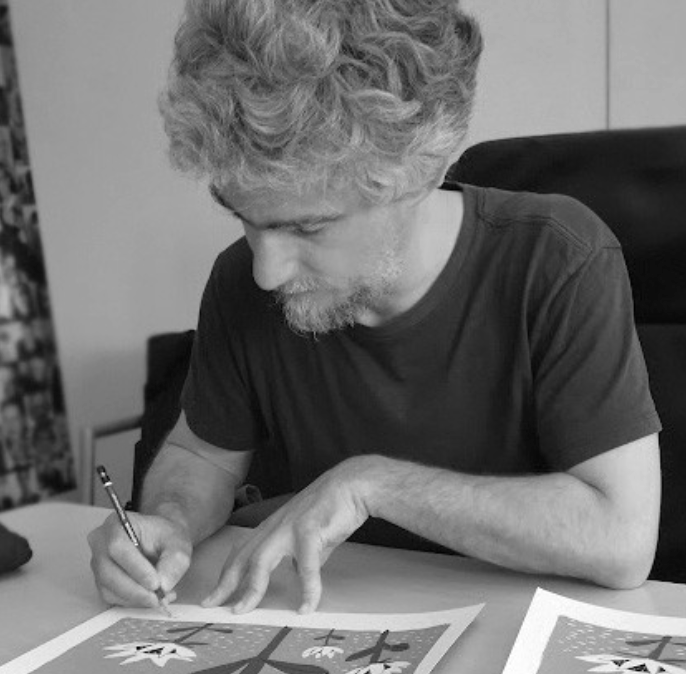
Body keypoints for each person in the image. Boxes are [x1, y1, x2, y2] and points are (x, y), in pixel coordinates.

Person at [88, 0, 661, 615]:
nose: (266, 270)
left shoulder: (559, 258)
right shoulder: (239, 281)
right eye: (246, 220)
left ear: (415, 178)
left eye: (306, 227)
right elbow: (201, 455)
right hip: (328, 622)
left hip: (514, 625)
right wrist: (169, 520)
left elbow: (620, 539)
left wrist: (373, 485)